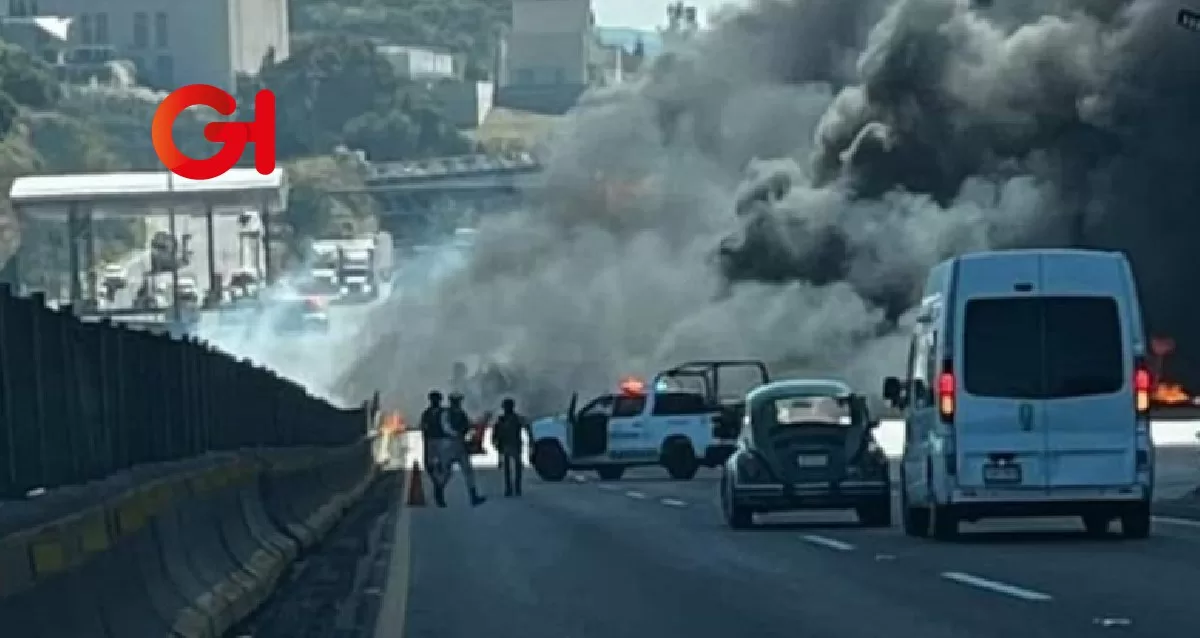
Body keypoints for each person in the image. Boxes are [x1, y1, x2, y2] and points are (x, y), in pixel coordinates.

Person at [431, 392, 486, 507]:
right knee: (446, 472)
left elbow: (468, 424)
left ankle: (473, 496)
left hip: (460, 445)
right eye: (457, 401)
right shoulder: (446, 413)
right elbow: (445, 427)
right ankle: (439, 492)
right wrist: (456, 434)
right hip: (448, 445)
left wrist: (480, 422)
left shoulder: (461, 413)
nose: (458, 403)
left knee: (468, 470)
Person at [491, 397, 530, 497]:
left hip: (510, 445)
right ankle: (514, 488)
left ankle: (511, 488)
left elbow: (495, 433)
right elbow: (495, 432)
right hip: (510, 445)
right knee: (513, 467)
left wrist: (495, 442)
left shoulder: (505, 419)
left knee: (510, 468)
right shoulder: (511, 418)